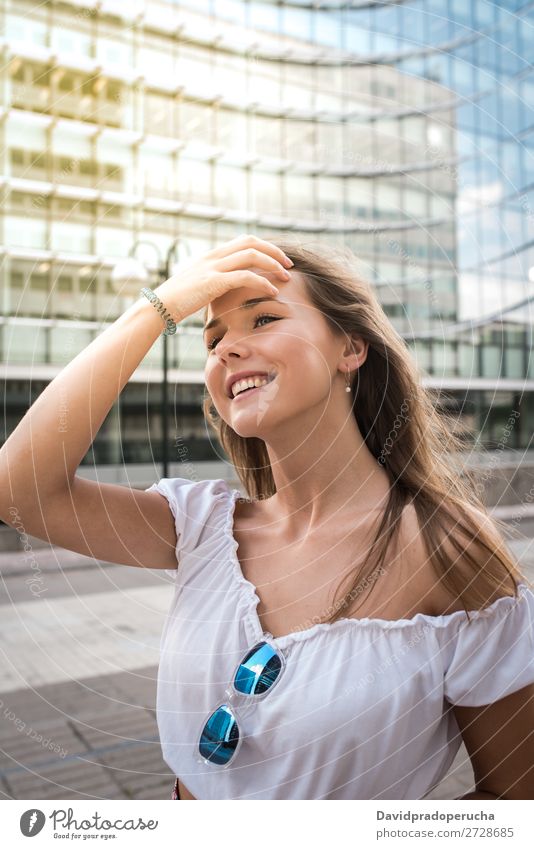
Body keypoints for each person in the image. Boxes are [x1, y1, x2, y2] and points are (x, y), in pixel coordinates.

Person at [0, 234, 533, 801]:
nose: (227, 348)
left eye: (263, 320)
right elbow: (19, 492)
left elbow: (513, 799)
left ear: (349, 349)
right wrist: (156, 309)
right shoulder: (200, 527)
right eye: (213, 338)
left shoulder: (446, 546)